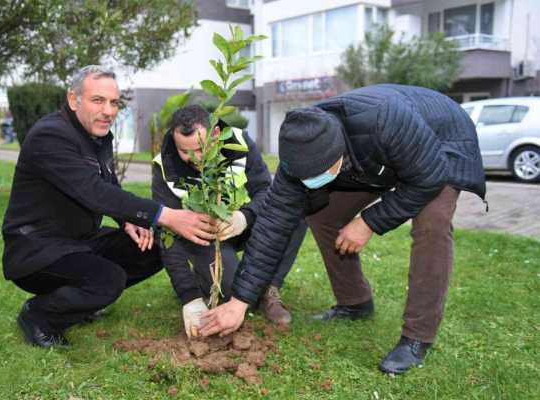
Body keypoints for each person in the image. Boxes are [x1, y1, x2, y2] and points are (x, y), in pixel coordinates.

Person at [199, 84, 487, 374]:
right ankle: (355, 303)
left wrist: (370, 221)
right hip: (373, 158)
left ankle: (418, 337)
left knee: (432, 225)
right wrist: (240, 302)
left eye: (319, 174)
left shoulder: (385, 121)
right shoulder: (299, 156)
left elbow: (429, 178)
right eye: (306, 177)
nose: (312, 181)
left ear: (340, 154)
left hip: (440, 143)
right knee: (322, 214)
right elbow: (272, 227)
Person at [1, 65, 215, 348]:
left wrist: (128, 221)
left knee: (152, 248)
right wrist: (165, 215)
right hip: (37, 249)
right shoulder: (50, 136)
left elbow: (108, 185)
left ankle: (79, 303)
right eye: (98, 100)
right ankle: (39, 315)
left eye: (114, 103)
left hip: (78, 241)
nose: (109, 111)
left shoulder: (97, 137)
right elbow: (92, 191)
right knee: (108, 281)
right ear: (73, 99)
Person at [152, 105, 306, 336]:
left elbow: (266, 191)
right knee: (235, 290)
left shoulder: (239, 143)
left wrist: (244, 217)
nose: (195, 158)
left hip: (241, 223)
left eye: (200, 148)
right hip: (205, 237)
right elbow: (166, 232)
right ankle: (208, 282)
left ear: (214, 135)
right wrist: (189, 297)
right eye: (185, 151)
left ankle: (269, 291)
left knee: (293, 214)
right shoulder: (165, 165)